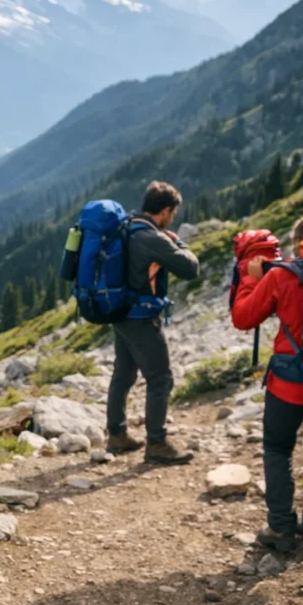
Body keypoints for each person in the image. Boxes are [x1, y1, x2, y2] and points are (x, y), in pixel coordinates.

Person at [231, 211, 303, 552]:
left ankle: (281, 527)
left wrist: (252, 278)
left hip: (290, 381)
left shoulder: (283, 275)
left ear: (297, 244)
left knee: (278, 448)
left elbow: (244, 317)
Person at [105, 181, 201, 465]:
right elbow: (190, 268)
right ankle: (157, 444)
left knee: (123, 374)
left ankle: (117, 434)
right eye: (172, 213)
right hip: (141, 318)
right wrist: (176, 241)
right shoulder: (152, 237)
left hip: (119, 313)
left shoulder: (126, 226)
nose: (173, 218)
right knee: (161, 379)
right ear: (166, 211)